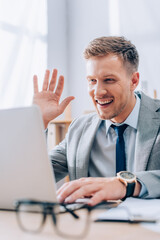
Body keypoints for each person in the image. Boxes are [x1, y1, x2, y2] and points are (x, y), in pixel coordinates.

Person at [33, 36, 160, 206]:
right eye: (92, 80)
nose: (98, 92)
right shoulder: (79, 129)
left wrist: (126, 185)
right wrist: (37, 122)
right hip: (91, 228)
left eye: (109, 80)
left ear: (133, 81)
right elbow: (34, 176)